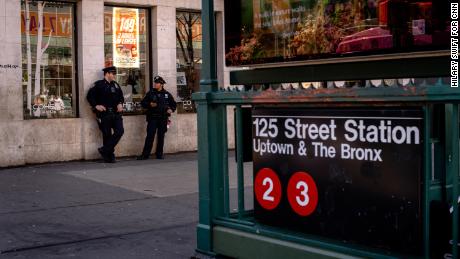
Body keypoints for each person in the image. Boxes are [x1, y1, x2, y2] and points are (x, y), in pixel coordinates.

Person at [87, 66, 124, 163]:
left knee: (120, 131)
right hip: (104, 114)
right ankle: (109, 157)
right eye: (113, 74)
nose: (114, 75)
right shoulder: (98, 85)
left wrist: (120, 103)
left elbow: (121, 96)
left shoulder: (115, 85)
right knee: (107, 135)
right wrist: (96, 106)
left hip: (116, 114)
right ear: (107, 74)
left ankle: (104, 149)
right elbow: (89, 96)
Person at [137, 75, 176, 160]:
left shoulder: (167, 94)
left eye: (157, 83)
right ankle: (145, 155)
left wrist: (171, 109)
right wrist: (149, 104)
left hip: (163, 118)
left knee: (161, 136)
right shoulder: (150, 93)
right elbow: (143, 103)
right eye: (155, 83)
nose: (155, 84)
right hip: (153, 118)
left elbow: (173, 104)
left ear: (161, 84)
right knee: (150, 136)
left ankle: (159, 154)